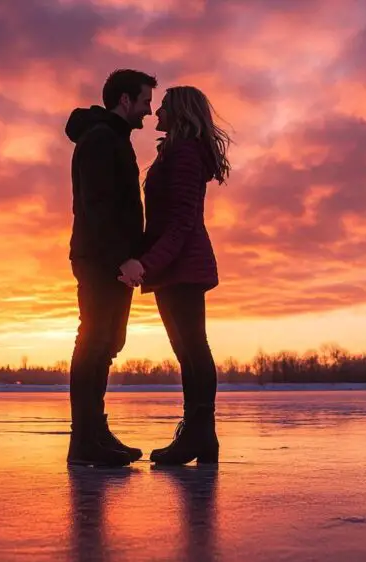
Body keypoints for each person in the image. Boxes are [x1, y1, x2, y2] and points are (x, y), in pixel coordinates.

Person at [118, 86, 232, 465]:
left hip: (181, 265)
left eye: (163, 105)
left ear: (180, 111)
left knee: (192, 348)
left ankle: (198, 433)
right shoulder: (176, 150)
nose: (156, 112)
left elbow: (182, 222)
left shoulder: (183, 152)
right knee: (188, 350)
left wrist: (148, 264)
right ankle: (201, 435)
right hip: (175, 266)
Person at [63, 69, 157, 467]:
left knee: (107, 343)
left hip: (109, 258)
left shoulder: (113, 138)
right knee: (95, 340)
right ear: (124, 100)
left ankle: (94, 432)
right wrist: (123, 256)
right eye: (144, 101)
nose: (149, 110)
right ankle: (84, 439)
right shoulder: (102, 139)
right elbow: (97, 205)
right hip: (101, 258)